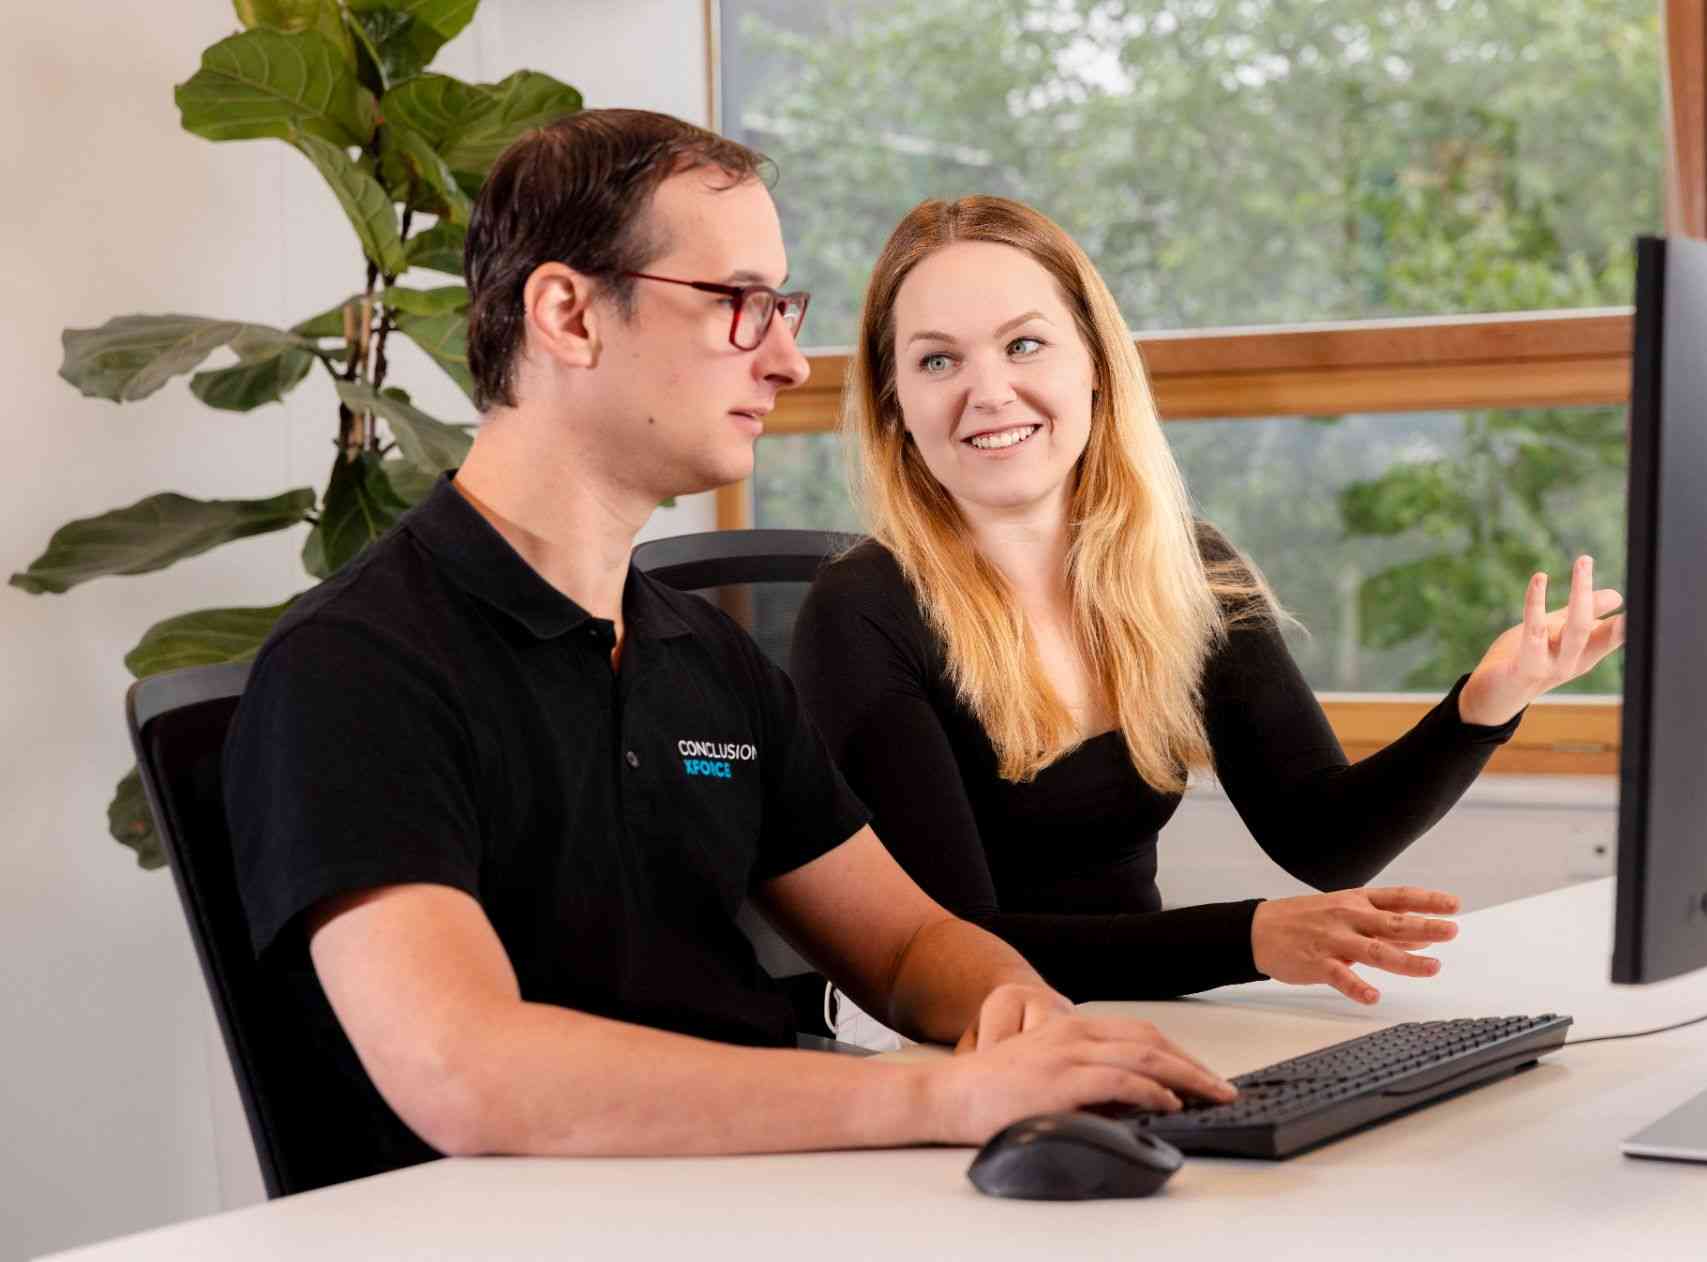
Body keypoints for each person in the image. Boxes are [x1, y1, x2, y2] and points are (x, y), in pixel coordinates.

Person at [222, 113, 1238, 1191]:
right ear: (567, 312)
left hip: (763, 1200)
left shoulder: (704, 658)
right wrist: (939, 1098)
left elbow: (903, 950)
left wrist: (1021, 1017)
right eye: (741, 306)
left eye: (783, 309)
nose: (792, 360)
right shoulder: (356, 669)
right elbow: (467, 1071)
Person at [789, 195, 1625, 1010]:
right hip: (966, 1052)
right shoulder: (861, 612)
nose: (990, 390)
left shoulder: (1184, 567)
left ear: (1094, 364)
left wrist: (1489, 702)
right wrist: (1251, 940)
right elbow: (959, 952)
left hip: (1139, 1026)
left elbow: (1326, 839)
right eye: (939, 360)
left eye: (1025, 345)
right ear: (895, 402)